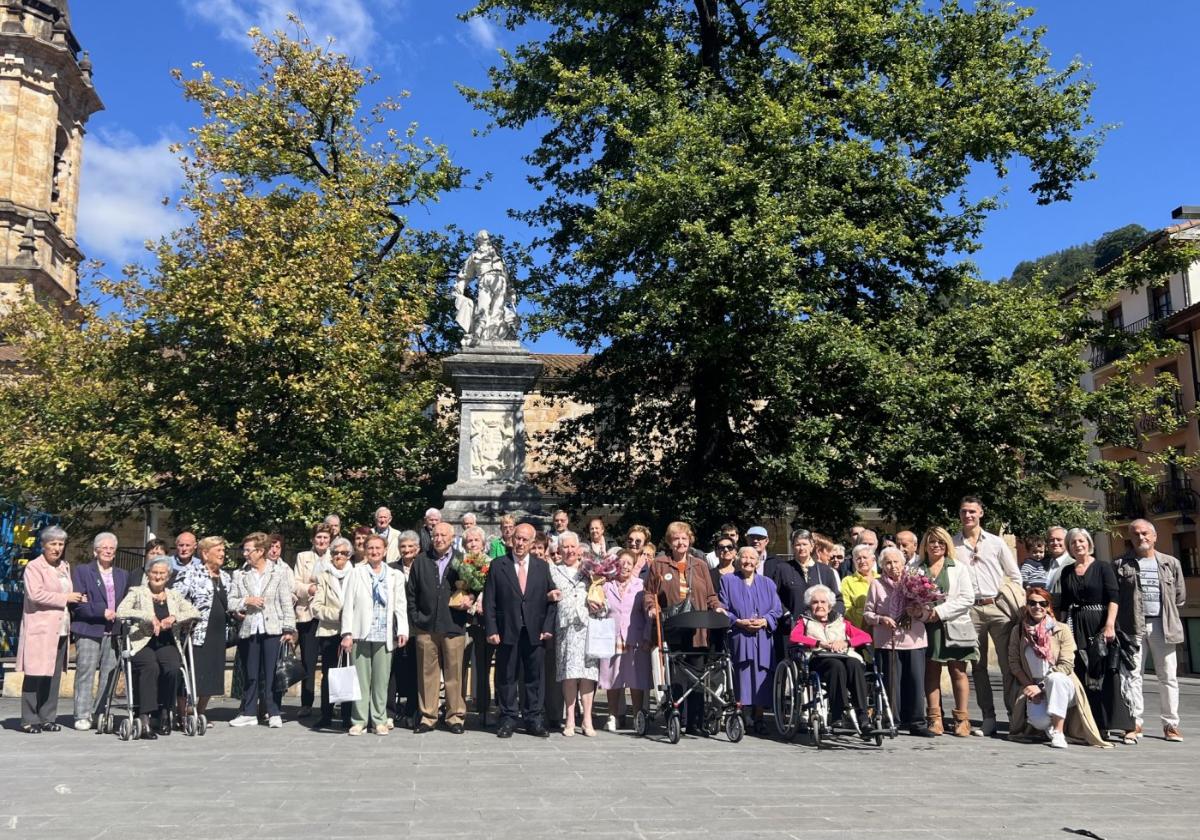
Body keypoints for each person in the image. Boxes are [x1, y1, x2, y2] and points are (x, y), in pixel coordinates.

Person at [644, 521, 723, 736]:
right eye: (676, 538)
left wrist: (717, 608)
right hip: (673, 627)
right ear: (670, 542)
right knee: (676, 675)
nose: (681, 542)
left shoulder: (700, 565)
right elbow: (649, 593)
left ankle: (696, 723)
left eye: (684, 538)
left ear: (690, 541)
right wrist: (651, 607)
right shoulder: (659, 564)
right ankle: (677, 717)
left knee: (696, 674)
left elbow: (710, 595)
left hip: (697, 628)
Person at [1007, 586, 1109, 749]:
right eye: (1032, 603)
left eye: (1043, 603)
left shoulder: (1061, 629)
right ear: (1027, 605)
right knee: (1038, 721)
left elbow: (1067, 664)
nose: (1037, 607)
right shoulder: (1018, 631)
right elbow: (1014, 663)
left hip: (1062, 683)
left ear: (1048, 607)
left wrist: (1041, 686)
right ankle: (1048, 726)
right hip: (1034, 685)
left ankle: (1059, 732)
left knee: (1055, 679)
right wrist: (1030, 685)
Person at [954, 495, 1022, 736]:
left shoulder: (995, 542)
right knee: (978, 666)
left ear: (981, 513)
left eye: (972, 511)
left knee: (1008, 664)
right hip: (969, 609)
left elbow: (1014, 575)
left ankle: (1014, 715)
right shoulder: (954, 545)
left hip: (997, 607)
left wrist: (1008, 598)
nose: (968, 515)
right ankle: (988, 717)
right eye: (964, 511)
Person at [484, 522, 558, 738]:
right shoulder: (499, 565)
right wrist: (492, 629)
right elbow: (490, 600)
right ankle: (508, 717)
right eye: (517, 538)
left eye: (525, 540)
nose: (520, 543)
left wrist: (547, 627)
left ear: (532, 543)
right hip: (507, 629)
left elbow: (551, 598)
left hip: (535, 630)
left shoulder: (541, 566)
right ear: (511, 539)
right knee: (506, 675)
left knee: (534, 677)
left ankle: (533, 718)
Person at [1115, 519, 1186, 743]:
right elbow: (1115, 597)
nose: (1141, 537)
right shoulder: (1120, 564)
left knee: (1168, 677)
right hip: (1131, 626)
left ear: (1154, 536)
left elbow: (1180, 597)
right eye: (1136, 534)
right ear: (1131, 538)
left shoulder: (1170, 563)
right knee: (1133, 676)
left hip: (1163, 625)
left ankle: (1171, 725)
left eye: (1145, 533)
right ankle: (1134, 723)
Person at [117, 556, 201, 739]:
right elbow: (121, 611)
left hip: (166, 642)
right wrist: (147, 616)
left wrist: (174, 618)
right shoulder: (137, 592)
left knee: (172, 668)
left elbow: (195, 612)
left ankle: (165, 712)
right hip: (141, 642)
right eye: (154, 572)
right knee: (150, 667)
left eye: (162, 573)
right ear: (148, 574)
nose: (158, 576)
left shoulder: (174, 595)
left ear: (168, 576)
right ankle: (145, 718)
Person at [1059, 527, 1131, 740]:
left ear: (1089, 544)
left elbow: (1113, 598)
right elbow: (1064, 603)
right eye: (1073, 543)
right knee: (1081, 673)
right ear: (1069, 548)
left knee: (1105, 672)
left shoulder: (1102, 567)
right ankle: (1092, 724)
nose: (1078, 545)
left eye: (1081, 541)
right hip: (1075, 624)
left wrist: (1109, 625)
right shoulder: (1067, 571)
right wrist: (1060, 628)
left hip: (1099, 623)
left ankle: (1117, 723)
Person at [340, 534, 409, 736]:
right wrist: (347, 633)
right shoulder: (356, 572)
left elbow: (400, 605)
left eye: (378, 548)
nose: (374, 552)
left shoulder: (394, 575)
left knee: (381, 680)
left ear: (385, 550)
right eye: (370, 548)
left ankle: (379, 719)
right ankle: (359, 720)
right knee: (361, 679)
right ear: (365, 550)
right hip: (361, 632)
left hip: (384, 634)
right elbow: (348, 606)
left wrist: (403, 630)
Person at [405, 520, 470, 734]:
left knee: (454, 674)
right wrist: (416, 618)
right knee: (427, 674)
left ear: (452, 538)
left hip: (453, 626)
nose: (439, 539)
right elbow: (412, 592)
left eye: (443, 535)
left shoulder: (463, 561)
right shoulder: (421, 560)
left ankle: (455, 717)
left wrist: (469, 598)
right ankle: (428, 716)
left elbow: (474, 589)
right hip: (426, 626)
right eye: (435, 535)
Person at [227, 532, 297, 728]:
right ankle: (249, 712)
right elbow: (231, 601)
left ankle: (274, 711)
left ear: (260, 551)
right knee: (251, 672)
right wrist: (246, 601)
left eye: (249, 550)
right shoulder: (240, 574)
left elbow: (285, 602)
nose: (245, 553)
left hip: (273, 628)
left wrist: (289, 629)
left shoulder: (278, 573)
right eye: (245, 550)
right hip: (250, 628)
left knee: (272, 672)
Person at [17, 526, 82, 733]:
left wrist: (76, 598)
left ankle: (47, 717)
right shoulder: (34, 567)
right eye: (52, 544)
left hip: (61, 628)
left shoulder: (64, 566)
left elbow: (66, 592)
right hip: (41, 628)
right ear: (43, 545)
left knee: (53, 675)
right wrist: (65, 598)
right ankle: (29, 719)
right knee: (36, 673)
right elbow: (35, 594)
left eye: (60, 544)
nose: (57, 548)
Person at [864, 547, 932, 737]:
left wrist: (917, 612)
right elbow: (868, 614)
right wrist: (881, 619)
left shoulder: (915, 581)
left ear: (903, 564)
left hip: (914, 640)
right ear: (882, 566)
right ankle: (891, 720)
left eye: (896, 562)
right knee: (891, 683)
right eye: (888, 562)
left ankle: (917, 722)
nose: (892, 566)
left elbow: (928, 611)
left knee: (916, 683)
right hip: (888, 641)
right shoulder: (876, 585)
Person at [917, 526, 976, 737]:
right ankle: (935, 718)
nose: (936, 546)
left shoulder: (958, 567)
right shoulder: (916, 567)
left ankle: (962, 719)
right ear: (925, 545)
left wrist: (939, 612)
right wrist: (922, 612)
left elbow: (967, 598)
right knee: (931, 671)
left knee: (958, 671)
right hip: (926, 627)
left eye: (940, 542)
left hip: (954, 625)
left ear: (947, 545)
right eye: (932, 541)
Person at [789, 585, 872, 730]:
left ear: (830, 605)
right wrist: (819, 643)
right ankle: (837, 714)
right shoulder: (805, 621)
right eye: (815, 602)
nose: (820, 605)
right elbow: (794, 637)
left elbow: (865, 636)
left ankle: (863, 716)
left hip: (844, 655)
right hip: (819, 658)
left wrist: (846, 642)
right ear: (810, 605)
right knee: (836, 665)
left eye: (823, 602)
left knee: (854, 664)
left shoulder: (841, 621)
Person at [719, 547, 782, 734]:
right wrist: (737, 621)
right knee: (742, 674)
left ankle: (760, 716)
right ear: (737, 560)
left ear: (758, 562)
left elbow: (776, 610)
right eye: (744, 557)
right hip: (740, 634)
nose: (748, 561)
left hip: (762, 636)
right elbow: (722, 608)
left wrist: (765, 621)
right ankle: (742, 714)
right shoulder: (728, 580)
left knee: (763, 674)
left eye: (752, 557)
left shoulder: (767, 583)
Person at [70, 532, 130, 730]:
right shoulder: (83, 571)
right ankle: (82, 714)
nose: (108, 551)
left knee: (109, 674)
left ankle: (100, 712)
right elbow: (79, 603)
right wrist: (100, 611)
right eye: (104, 547)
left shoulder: (123, 574)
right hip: (89, 628)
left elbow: (125, 602)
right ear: (95, 551)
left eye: (111, 548)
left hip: (113, 631)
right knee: (85, 671)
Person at [172, 536, 232, 724]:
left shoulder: (225, 576)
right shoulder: (190, 573)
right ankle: (183, 714)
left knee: (212, 673)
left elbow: (230, 602)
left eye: (223, 550)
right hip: (196, 633)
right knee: (191, 673)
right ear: (205, 554)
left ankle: (200, 712)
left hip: (218, 633)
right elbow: (176, 599)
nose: (223, 554)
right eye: (219, 550)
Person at [549, 533, 600, 736]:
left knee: (588, 674)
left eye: (573, 546)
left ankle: (587, 719)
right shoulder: (553, 571)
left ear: (579, 548)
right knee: (569, 675)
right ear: (559, 550)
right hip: (566, 627)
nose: (569, 551)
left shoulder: (590, 570)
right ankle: (569, 718)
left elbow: (600, 593)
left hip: (587, 624)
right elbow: (545, 594)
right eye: (565, 547)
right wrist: (549, 596)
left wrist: (599, 604)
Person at [599, 550, 651, 731]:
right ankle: (613, 716)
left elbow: (648, 615)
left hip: (635, 637)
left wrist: (647, 637)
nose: (625, 566)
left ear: (634, 564)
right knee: (612, 678)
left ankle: (638, 715)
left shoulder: (641, 585)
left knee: (636, 679)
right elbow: (600, 611)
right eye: (622, 563)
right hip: (611, 637)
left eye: (629, 563)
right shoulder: (606, 586)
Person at [313, 537, 354, 729]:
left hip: (352, 632)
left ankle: (347, 716)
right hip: (330, 630)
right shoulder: (324, 576)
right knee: (329, 674)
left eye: (344, 553)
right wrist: (338, 615)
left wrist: (349, 619)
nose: (339, 556)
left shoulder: (357, 573)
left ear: (350, 555)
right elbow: (316, 607)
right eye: (336, 553)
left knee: (349, 673)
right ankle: (326, 714)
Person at [292, 524, 332, 718]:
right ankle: (306, 702)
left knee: (329, 662)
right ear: (313, 539)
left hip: (328, 617)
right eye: (318, 537)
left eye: (325, 537)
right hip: (308, 615)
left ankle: (329, 704)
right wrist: (309, 589)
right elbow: (295, 583)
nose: (322, 541)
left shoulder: (335, 556)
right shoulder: (303, 557)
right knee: (308, 661)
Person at [460, 525, 496, 727]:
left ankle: (484, 709)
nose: (473, 544)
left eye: (476, 541)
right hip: (462, 621)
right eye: (469, 541)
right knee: (459, 667)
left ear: (483, 544)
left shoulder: (492, 564)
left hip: (483, 622)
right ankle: (458, 709)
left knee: (483, 666)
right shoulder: (459, 564)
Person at [387, 530, 421, 727]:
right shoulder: (391, 568)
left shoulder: (425, 566)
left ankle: (413, 710)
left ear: (417, 548)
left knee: (416, 670)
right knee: (395, 670)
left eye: (410, 546)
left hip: (417, 628)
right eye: (403, 547)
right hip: (395, 628)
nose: (406, 550)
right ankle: (391, 711)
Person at [840, 544, 877, 630]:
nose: (862, 561)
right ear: (854, 562)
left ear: (873, 560)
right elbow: (846, 609)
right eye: (858, 558)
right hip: (859, 629)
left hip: (882, 627)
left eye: (865, 557)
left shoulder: (880, 579)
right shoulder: (848, 581)